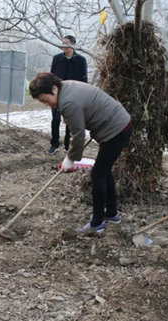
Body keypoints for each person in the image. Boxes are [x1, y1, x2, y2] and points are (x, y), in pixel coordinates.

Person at [29, 72, 132, 234]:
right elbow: (79, 111)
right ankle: (111, 214)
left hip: (115, 129)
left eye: (46, 100)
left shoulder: (68, 101)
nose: (47, 104)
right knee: (104, 172)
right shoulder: (66, 86)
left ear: (54, 89)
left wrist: (70, 158)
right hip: (118, 123)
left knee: (98, 174)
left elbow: (78, 135)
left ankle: (97, 223)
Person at [47, 35, 88, 155]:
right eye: (63, 43)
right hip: (58, 94)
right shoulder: (57, 59)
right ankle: (54, 144)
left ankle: (67, 145)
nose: (64, 46)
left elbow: (84, 80)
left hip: (73, 95)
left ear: (73, 45)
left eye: (66, 43)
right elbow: (52, 76)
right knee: (55, 120)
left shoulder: (81, 60)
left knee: (69, 121)